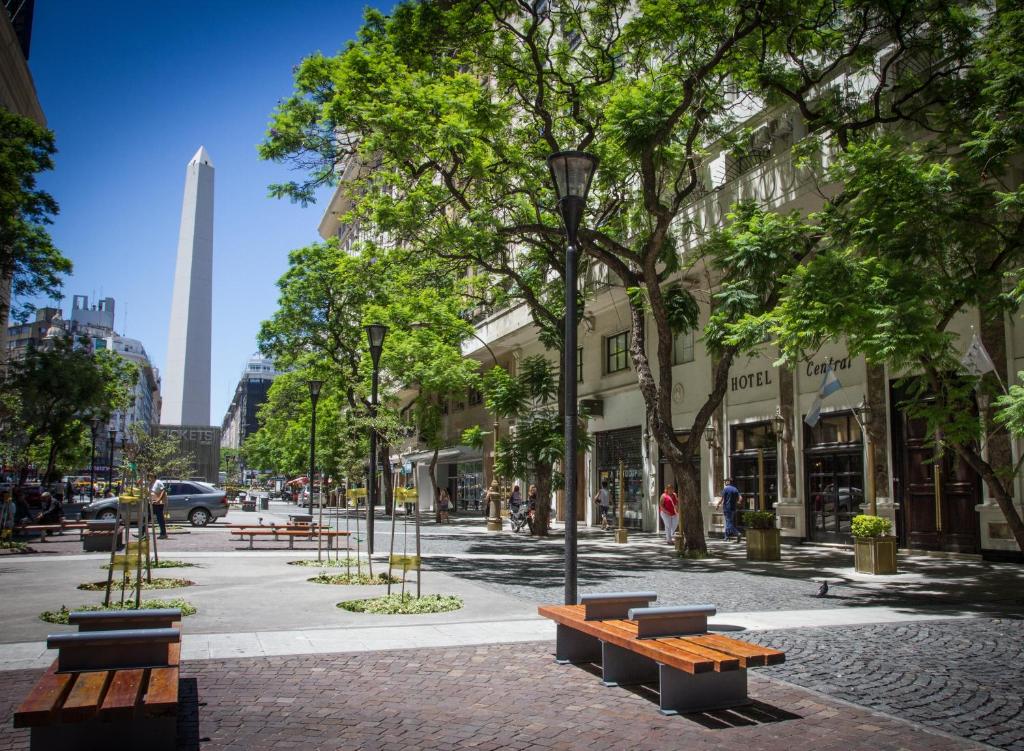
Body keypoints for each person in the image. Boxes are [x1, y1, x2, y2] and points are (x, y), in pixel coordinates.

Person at [717, 478, 743, 543]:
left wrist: (717, 505)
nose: (725, 482)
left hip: (726, 508)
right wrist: (739, 502)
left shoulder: (725, 489)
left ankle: (737, 533)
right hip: (733, 508)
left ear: (727, 482)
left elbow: (722, 499)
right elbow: (740, 497)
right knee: (728, 522)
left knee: (729, 523)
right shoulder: (735, 489)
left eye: (725, 481)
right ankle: (726, 537)